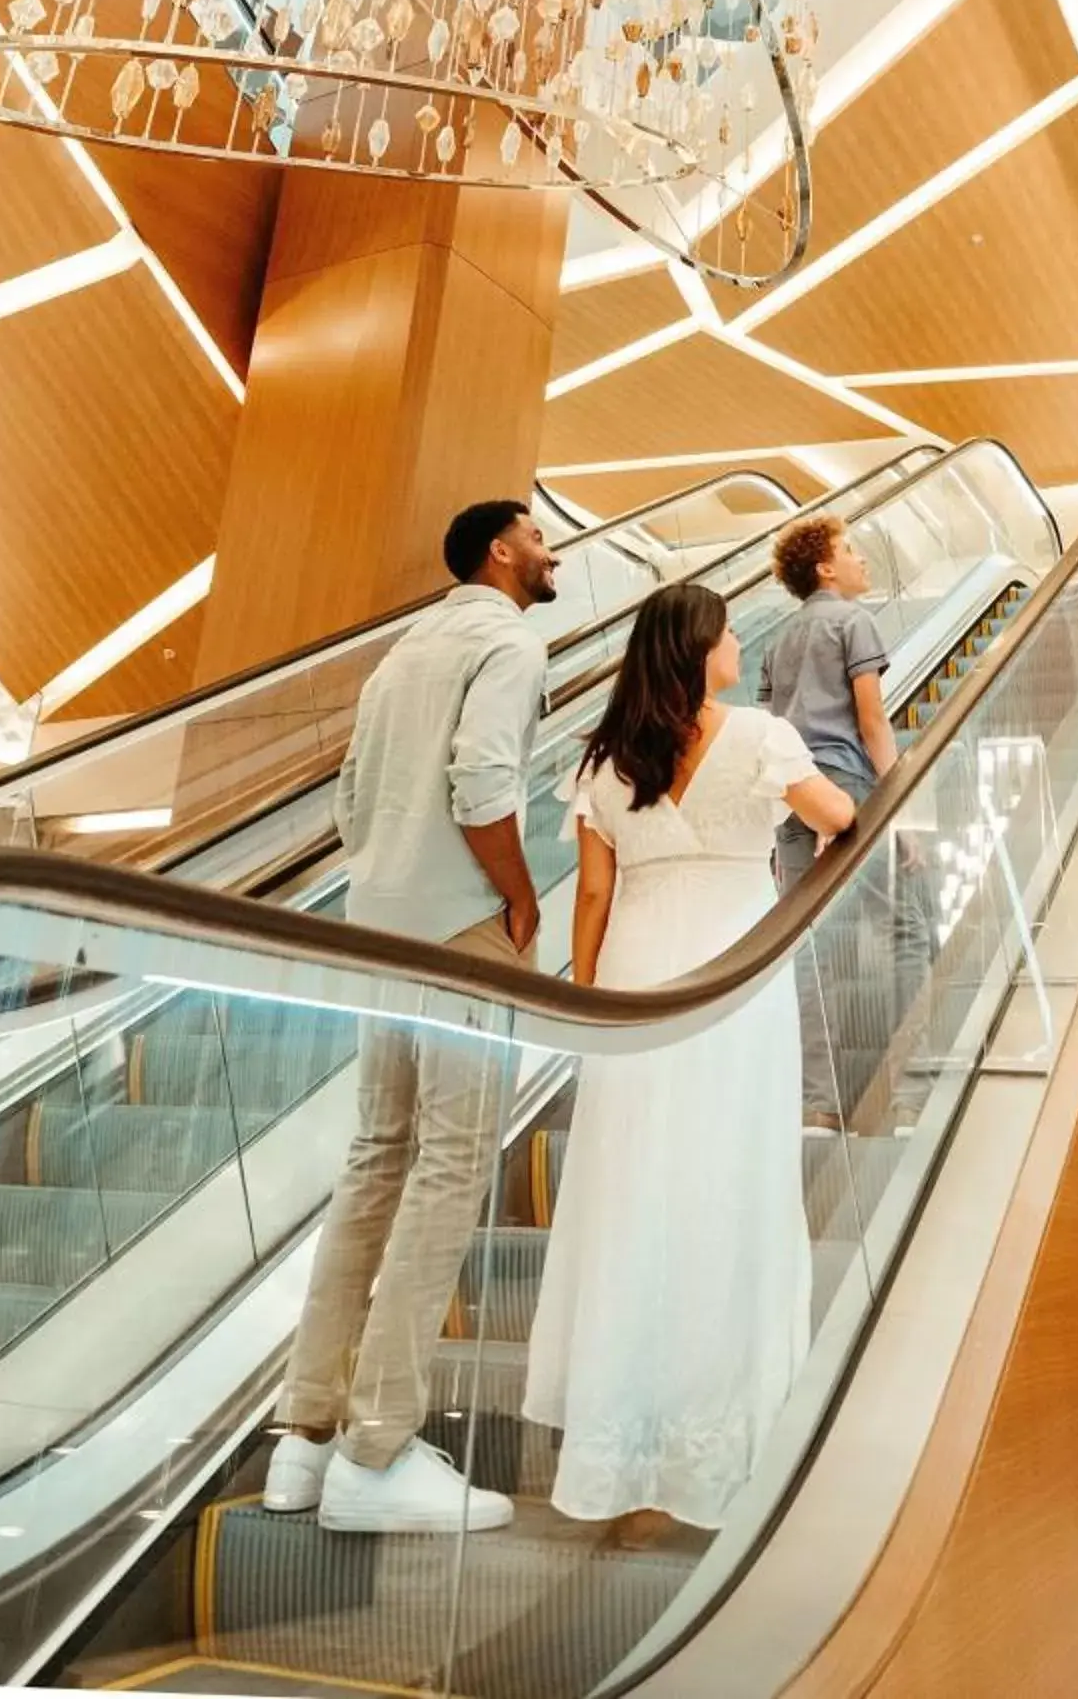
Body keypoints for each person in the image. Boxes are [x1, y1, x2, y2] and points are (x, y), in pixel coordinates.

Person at [521, 582, 854, 1534]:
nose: (739, 646)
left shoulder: (605, 758)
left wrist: (588, 1005)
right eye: (727, 634)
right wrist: (794, 897)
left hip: (633, 977)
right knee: (727, 1180)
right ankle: (719, 1436)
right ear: (700, 645)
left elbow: (591, 895)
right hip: (734, 970)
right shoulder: (757, 736)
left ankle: (620, 1434)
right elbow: (838, 817)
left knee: (631, 1192)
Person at [262, 497, 558, 1537]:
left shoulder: (403, 652)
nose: (550, 550)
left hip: (376, 918)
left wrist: (384, 877)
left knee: (378, 1154)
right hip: (457, 922)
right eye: (538, 535)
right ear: (500, 550)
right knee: (448, 1164)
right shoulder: (508, 641)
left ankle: (304, 1437)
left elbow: (350, 796)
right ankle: (378, 1447)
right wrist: (516, 895)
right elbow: (481, 781)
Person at [761, 517, 932, 1124]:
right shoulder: (853, 621)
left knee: (813, 951)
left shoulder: (778, 641)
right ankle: (914, 1088)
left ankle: (817, 1105)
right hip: (848, 789)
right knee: (908, 928)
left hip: (791, 796)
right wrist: (899, 808)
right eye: (850, 551)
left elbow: (769, 733)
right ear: (825, 569)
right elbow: (873, 722)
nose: (862, 560)